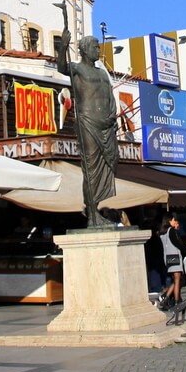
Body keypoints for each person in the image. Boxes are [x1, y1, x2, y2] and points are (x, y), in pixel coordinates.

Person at [56, 30, 119, 229]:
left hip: (106, 125)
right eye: (95, 47)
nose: (98, 50)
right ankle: (92, 214)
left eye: (98, 47)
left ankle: (96, 209)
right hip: (88, 123)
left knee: (108, 165)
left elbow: (110, 97)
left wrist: (113, 117)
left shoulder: (102, 73)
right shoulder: (77, 68)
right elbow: (61, 67)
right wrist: (63, 46)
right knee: (91, 169)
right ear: (84, 49)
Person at [157, 214, 186, 309]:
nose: (175, 222)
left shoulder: (162, 233)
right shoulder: (171, 230)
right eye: (174, 220)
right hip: (175, 256)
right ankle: (177, 301)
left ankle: (165, 298)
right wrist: (185, 250)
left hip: (167, 258)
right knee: (177, 280)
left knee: (176, 279)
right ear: (169, 221)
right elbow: (177, 243)